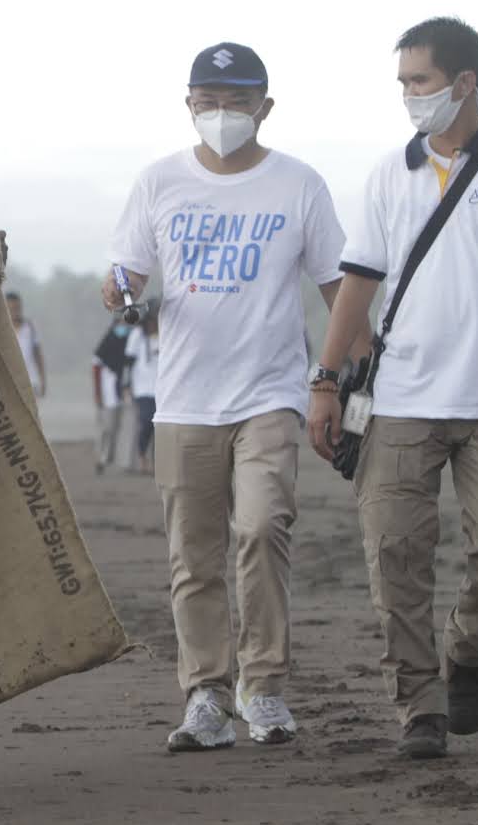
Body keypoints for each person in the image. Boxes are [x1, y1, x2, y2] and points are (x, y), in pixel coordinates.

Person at [106, 42, 350, 755]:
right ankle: (207, 692)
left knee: (263, 525)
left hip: (271, 392)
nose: (220, 113)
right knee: (193, 554)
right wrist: (120, 289)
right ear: (188, 104)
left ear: (263, 107)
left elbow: (341, 291)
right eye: (206, 100)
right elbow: (126, 272)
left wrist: (338, 378)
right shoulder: (159, 183)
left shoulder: (298, 185)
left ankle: (264, 684)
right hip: (184, 399)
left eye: (235, 100)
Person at [311, 17, 478, 761]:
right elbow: (359, 282)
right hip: (402, 399)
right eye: (404, 84)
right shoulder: (390, 174)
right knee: (396, 558)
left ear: (465, 85)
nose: (410, 98)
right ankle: (420, 705)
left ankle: (467, 648)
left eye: (420, 83)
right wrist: (326, 381)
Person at [91, 322, 131, 473]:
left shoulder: (129, 342)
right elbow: (96, 368)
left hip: (125, 392)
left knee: (121, 428)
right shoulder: (104, 348)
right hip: (108, 394)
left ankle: (117, 459)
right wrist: (97, 394)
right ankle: (101, 457)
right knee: (106, 428)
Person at [124, 306, 159, 473]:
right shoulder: (137, 336)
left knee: (159, 427)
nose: (154, 323)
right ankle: (142, 457)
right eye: (151, 320)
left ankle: (155, 462)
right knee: (146, 422)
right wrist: (126, 385)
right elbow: (128, 363)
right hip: (142, 388)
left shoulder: (166, 334)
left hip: (163, 388)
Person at [6, 291, 47, 397]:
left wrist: (43, 380)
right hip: (9, 382)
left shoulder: (30, 327)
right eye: (11, 308)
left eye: (17, 308)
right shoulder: (1, 331)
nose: (15, 311)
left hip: (30, 381)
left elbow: (38, 355)